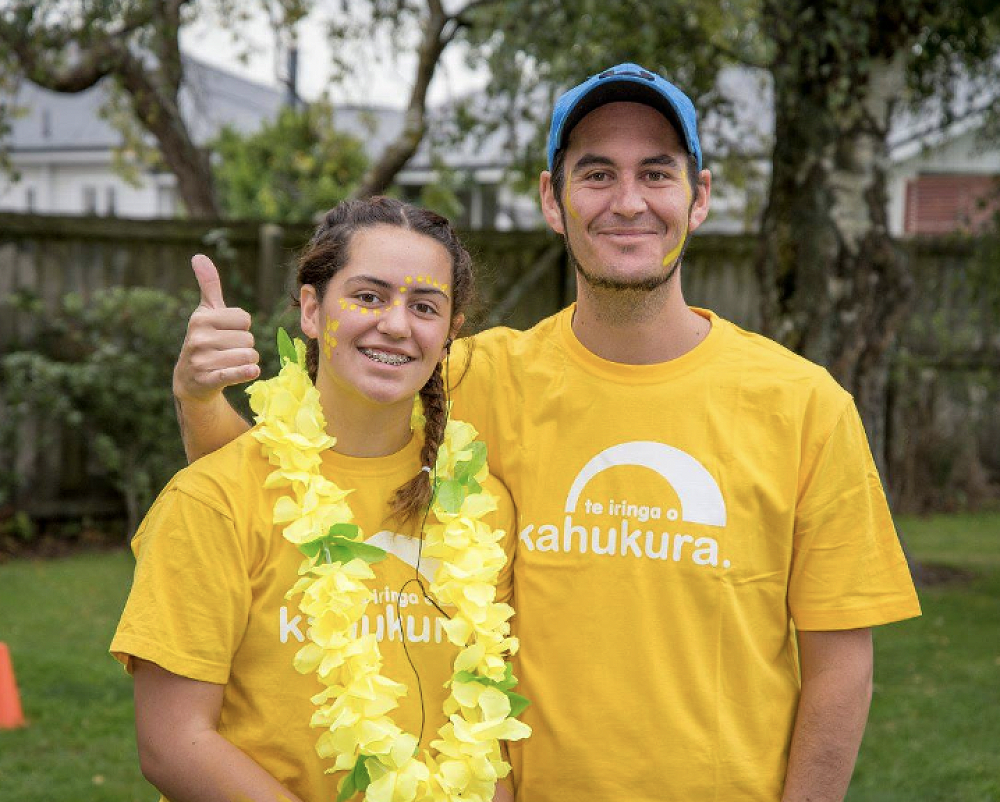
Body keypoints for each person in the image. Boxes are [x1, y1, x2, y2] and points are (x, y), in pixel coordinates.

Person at [171, 65, 921, 802]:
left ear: (699, 198)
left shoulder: (805, 406)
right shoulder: (467, 378)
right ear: (552, 199)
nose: (628, 201)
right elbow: (284, 484)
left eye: (656, 173)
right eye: (596, 174)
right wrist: (199, 396)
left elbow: (840, 664)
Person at [112, 197, 521, 802]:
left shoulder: (484, 506)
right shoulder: (211, 499)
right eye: (369, 296)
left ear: (450, 333)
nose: (396, 324)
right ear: (311, 309)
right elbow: (173, 742)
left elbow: (489, 740)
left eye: (424, 306)